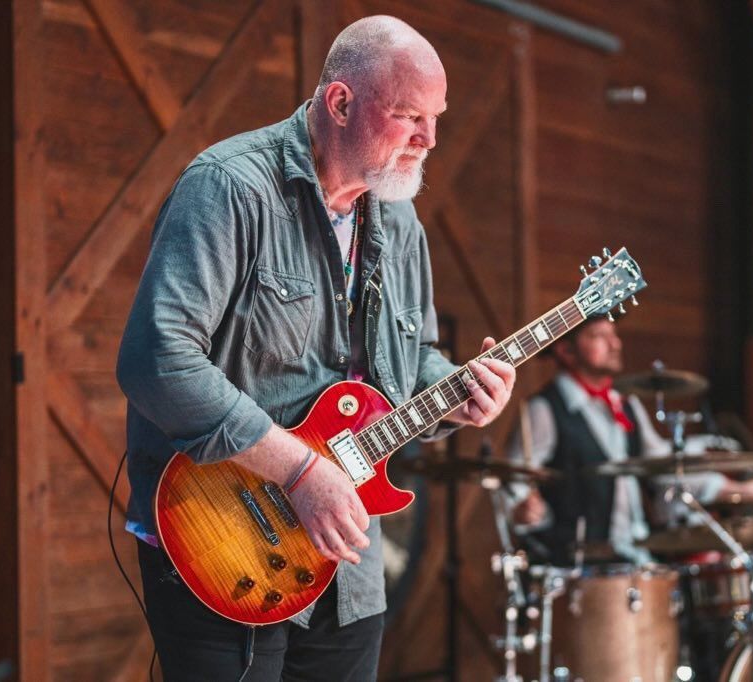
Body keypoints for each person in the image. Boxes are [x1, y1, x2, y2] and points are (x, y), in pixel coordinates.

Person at [116, 16, 515, 681]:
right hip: (222, 544)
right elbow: (157, 358)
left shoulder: (400, 219)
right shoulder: (230, 187)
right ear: (340, 102)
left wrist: (459, 390)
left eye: (437, 118)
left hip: (348, 562)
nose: (430, 139)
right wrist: (301, 472)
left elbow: (412, 364)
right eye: (410, 116)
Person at [506, 317, 753, 566]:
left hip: (635, 556)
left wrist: (744, 490)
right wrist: (523, 510)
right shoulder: (545, 409)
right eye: (599, 336)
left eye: (614, 335)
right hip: (576, 566)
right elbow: (512, 478)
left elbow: (666, 469)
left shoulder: (627, 404)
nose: (615, 344)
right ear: (566, 351)